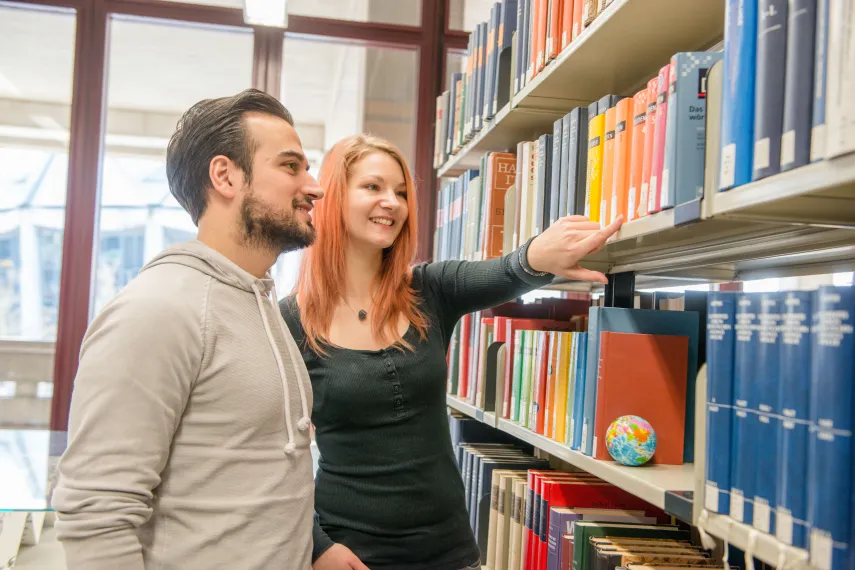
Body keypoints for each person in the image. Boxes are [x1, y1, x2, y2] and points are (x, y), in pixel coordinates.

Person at [279, 134, 623, 570]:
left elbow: (509, 269)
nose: (393, 203)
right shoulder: (290, 322)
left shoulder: (430, 289)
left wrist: (543, 253)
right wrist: (318, 546)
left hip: (450, 551)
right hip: (350, 555)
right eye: (373, 187)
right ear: (333, 197)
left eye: (402, 192)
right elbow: (270, 459)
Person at [51, 89, 324, 570]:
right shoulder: (157, 309)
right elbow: (96, 514)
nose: (314, 186)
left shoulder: (258, 302)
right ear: (225, 176)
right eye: (291, 166)